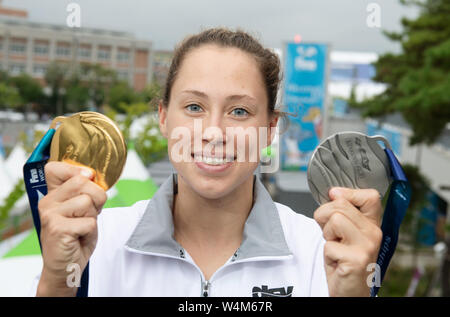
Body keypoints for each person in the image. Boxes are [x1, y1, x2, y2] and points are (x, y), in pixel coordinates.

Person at [33, 28, 382, 297]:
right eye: (195, 107)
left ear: (269, 129)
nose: (214, 132)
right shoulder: (96, 239)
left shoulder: (321, 253)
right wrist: (57, 281)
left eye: (240, 111)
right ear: (164, 117)